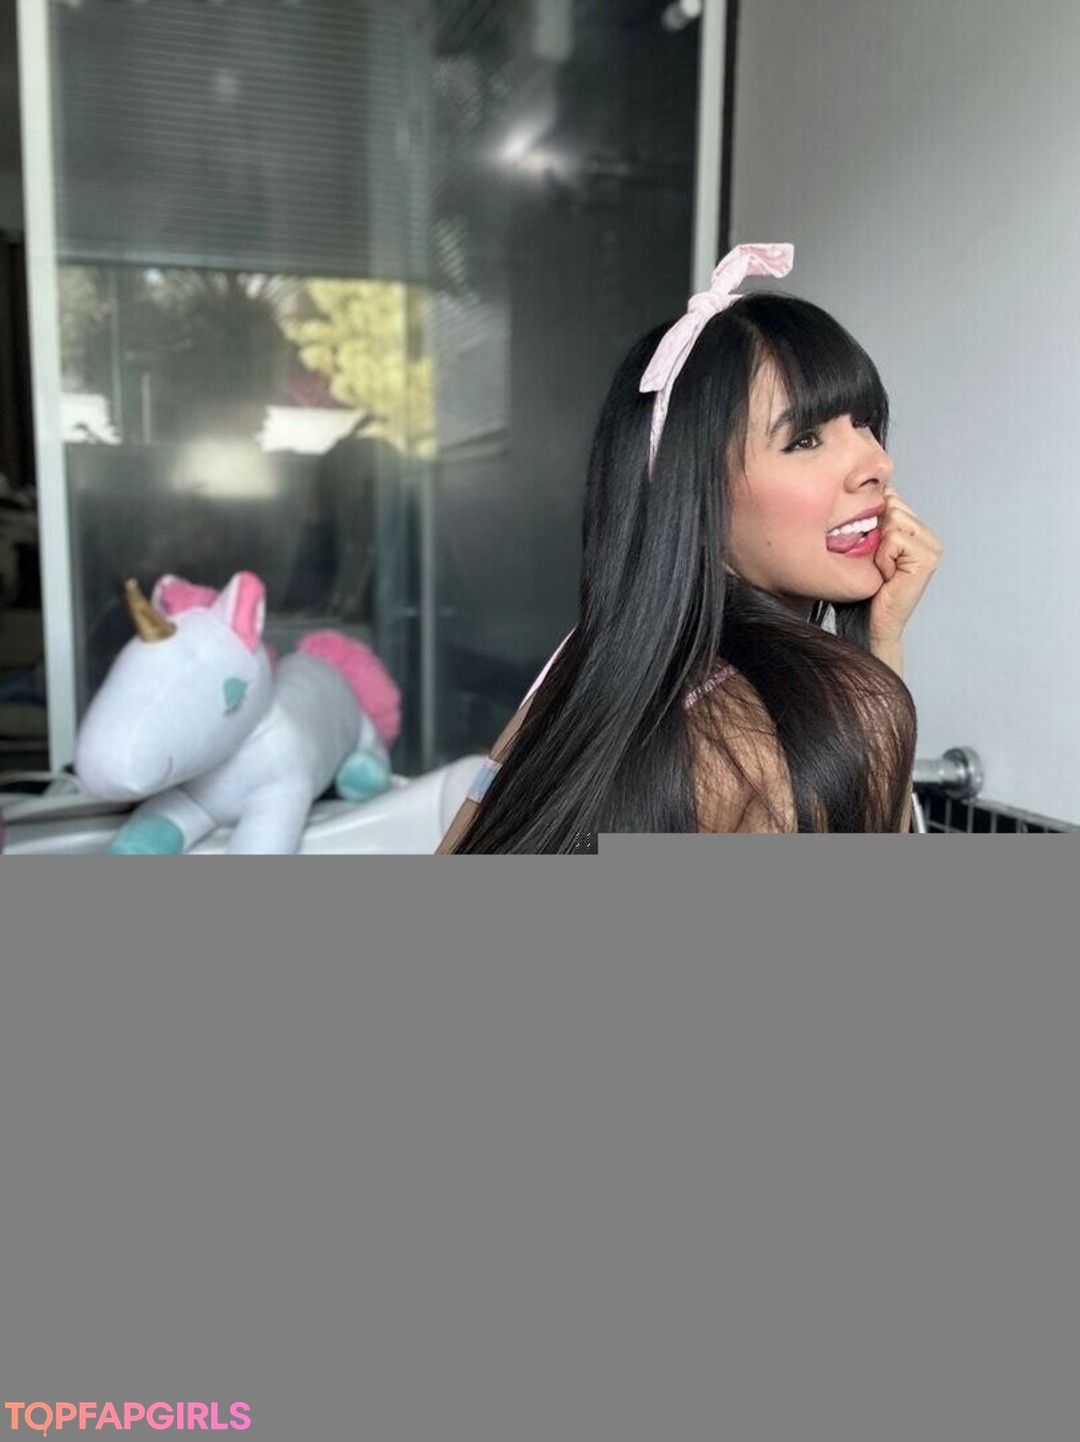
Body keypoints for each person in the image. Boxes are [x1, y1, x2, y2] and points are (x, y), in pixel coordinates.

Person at [437, 243, 942, 850]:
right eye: (805, 440)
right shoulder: (827, 720)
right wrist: (875, 677)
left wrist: (876, 645)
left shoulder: (575, 684)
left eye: (863, 422)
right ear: (697, 495)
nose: (876, 464)